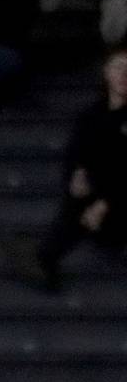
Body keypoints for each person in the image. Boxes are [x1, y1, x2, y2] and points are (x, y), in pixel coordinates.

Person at [28, 47, 127, 287]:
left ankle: (48, 256)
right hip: (98, 192)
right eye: (118, 68)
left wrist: (105, 203)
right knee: (80, 196)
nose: (124, 75)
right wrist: (76, 176)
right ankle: (46, 258)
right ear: (106, 72)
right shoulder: (92, 114)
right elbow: (77, 153)